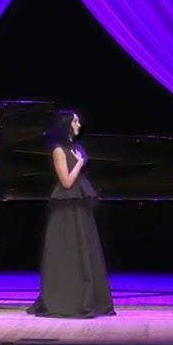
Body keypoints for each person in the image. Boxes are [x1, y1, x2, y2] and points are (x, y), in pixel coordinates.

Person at [27, 110, 115, 318]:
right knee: (67, 252)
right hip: (65, 208)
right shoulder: (58, 150)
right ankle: (65, 300)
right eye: (75, 121)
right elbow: (66, 182)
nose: (79, 124)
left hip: (79, 207)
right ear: (66, 124)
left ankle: (87, 298)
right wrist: (79, 163)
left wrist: (80, 161)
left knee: (84, 252)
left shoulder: (76, 147)